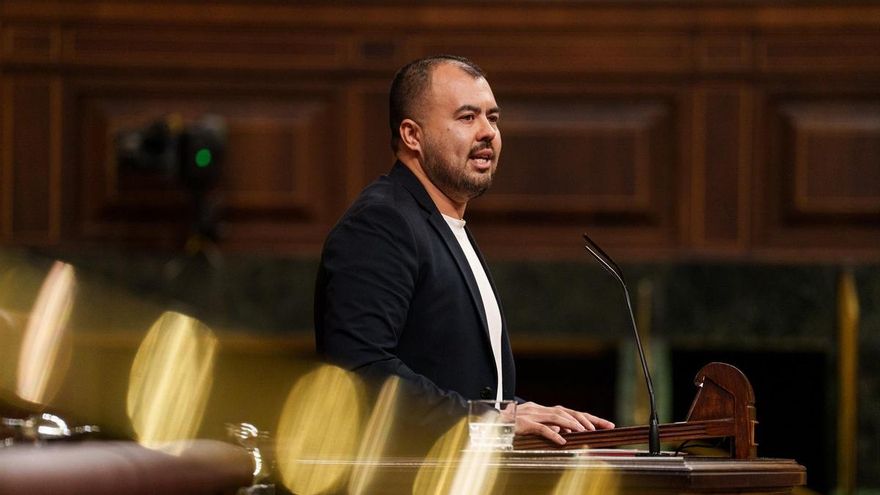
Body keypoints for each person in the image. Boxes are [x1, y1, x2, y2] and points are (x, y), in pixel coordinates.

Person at [315, 55, 614, 446]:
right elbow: (359, 371)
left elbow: (467, 388)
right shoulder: (381, 223)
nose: (488, 132)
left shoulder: (442, 223)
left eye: (493, 118)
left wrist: (532, 417)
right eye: (467, 117)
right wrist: (493, 420)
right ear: (412, 135)